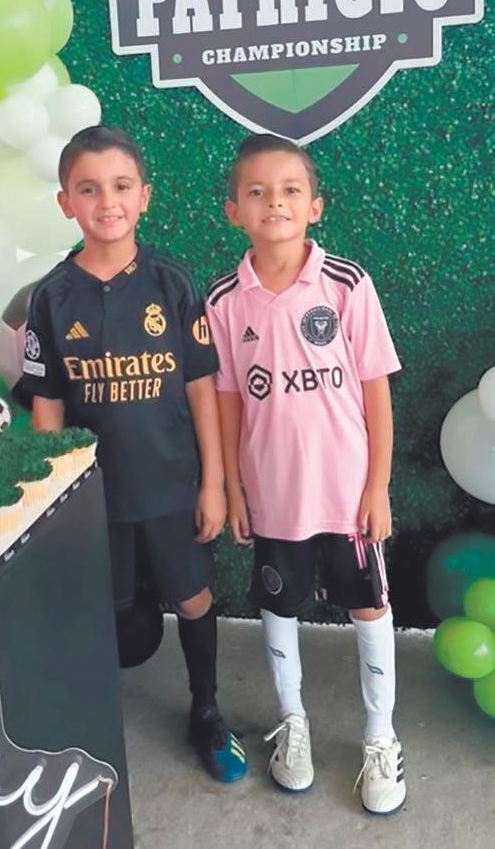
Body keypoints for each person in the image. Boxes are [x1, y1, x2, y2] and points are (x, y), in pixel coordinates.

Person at [21, 125, 247, 784]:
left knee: (194, 597)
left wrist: (213, 483)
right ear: (65, 202)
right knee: (106, 611)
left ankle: (206, 709)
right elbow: (47, 405)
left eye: (121, 187)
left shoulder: (171, 282)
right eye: (88, 189)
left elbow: (202, 387)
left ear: (144, 196)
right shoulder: (51, 297)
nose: (107, 202)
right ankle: (91, 719)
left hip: (173, 484)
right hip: (93, 495)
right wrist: (51, 501)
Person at [205, 133, 405, 814]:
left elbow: (375, 389)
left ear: (315, 207)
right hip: (274, 497)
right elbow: (228, 400)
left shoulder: (347, 284)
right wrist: (235, 487)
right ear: (233, 210)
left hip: (348, 495)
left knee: (368, 606)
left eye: (290, 190)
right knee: (279, 606)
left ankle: (380, 735)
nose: (275, 203)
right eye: (257, 192)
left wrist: (376, 486)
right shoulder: (224, 300)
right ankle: (293, 725)